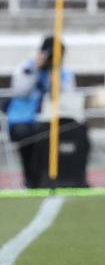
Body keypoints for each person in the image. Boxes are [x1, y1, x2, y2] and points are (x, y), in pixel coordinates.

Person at [6, 35, 77, 188]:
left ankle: (64, 178)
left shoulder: (64, 74)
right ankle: (31, 180)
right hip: (23, 122)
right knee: (28, 135)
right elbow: (20, 92)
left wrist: (54, 77)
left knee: (68, 133)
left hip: (50, 122)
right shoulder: (25, 68)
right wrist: (36, 71)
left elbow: (68, 100)